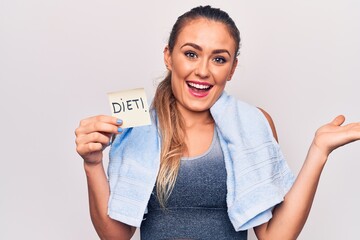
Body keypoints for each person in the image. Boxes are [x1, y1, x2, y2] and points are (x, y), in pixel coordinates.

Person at [75, 5, 360, 240]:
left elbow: (275, 237)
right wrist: (92, 163)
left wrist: (318, 151)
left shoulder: (254, 124)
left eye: (219, 59)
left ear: (232, 68)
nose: (202, 71)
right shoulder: (137, 128)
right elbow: (115, 236)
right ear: (168, 57)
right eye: (191, 54)